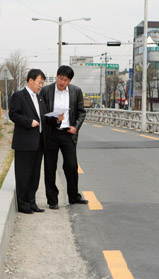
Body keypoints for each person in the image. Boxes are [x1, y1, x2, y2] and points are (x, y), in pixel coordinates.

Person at [9, 69, 62, 214]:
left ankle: (32, 203)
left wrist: (56, 120)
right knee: (23, 176)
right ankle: (23, 205)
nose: (40, 86)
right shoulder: (19, 96)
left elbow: (43, 118)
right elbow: (13, 115)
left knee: (34, 176)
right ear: (31, 80)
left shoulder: (39, 98)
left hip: (39, 143)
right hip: (24, 143)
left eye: (42, 83)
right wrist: (28, 122)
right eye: (39, 82)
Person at [40, 65, 88, 210]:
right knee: (50, 167)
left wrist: (76, 127)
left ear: (69, 81)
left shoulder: (76, 91)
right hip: (51, 133)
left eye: (65, 80)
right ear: (56, 76)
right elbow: (41, 112)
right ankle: (52, 200)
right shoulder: (46, 91)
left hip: (68, 133)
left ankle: (73, 196)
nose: (62, 82)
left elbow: (81, 112)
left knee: (71, 165)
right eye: (60, 78)